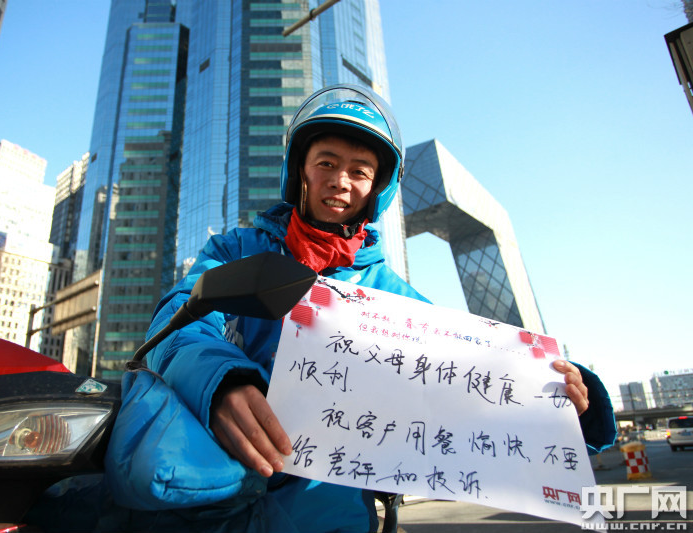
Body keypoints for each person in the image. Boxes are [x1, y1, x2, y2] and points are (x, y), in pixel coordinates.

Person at [141, 84, 614, 532]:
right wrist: (220, 383)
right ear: (300, 170)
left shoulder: (396, 299)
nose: (340, 181)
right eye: (326, 162)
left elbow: (466, 379)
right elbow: (178, 321)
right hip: (208, 502)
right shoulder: (237, 251)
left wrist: (560, 401)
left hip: (331, 515)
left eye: (360, 172)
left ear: (378, 188)